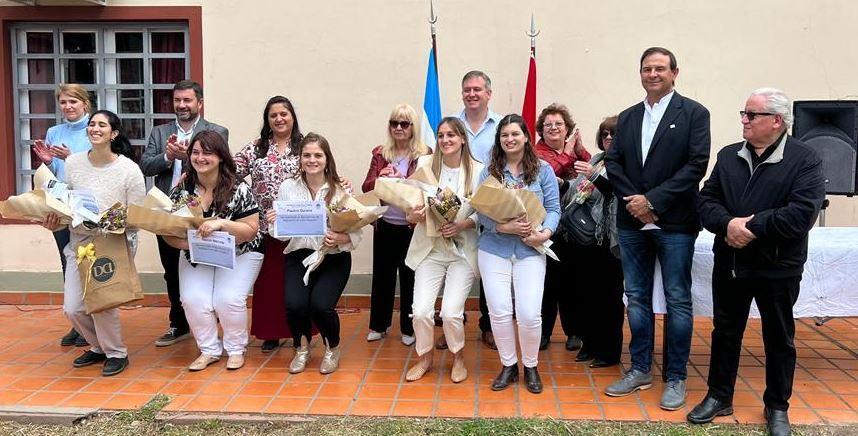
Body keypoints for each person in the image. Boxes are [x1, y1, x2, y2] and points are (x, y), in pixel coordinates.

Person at [688, 88, 824, 436]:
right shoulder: (729, 155)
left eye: (752, 115)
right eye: (744, 114)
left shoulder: (805, 159)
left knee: (779, 337)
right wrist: (727, 225)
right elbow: (706, 201)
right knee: (725, 331)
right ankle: (719, 396)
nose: (744, 120)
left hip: (778, 266)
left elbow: (801, 214)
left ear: (776, 121)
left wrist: (750, 227)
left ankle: (777, 406)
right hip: (731, 261)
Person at [604, 46, 711, 411]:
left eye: (660, 68)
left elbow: (696, 165)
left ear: (674, 73)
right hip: (632, 222)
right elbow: (614, 163)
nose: (652, 74)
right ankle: (639, 369)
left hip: (675, 222)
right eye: (647, 68)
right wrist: (636, 203)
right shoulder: (629, 116)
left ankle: (676, 376)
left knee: (677, 299)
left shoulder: (695, 113)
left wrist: (652, 202)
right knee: (636, 297)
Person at [40, 110, 145, 376]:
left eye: (102, 125)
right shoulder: (73, 163)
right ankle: (98, 346)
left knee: (103, 303)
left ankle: (116, 353)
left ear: (114, 133)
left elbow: (137, 215)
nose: (95, 128)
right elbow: (66, 202)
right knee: (73, 308)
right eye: (92, 124)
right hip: (79, 242)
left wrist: (109, 221)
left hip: (112, 243)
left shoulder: (129, 170)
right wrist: (54, 220)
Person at [162, 130, 263, 372]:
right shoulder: (182, 189)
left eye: (207, 153)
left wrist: (221, 224)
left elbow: (250, 230)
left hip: (241, 251)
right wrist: (190, 245)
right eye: (195, 152)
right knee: (192, 299)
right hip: (197, 253)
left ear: (220, 157)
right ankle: (209, 350)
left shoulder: (238, 188)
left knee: (227, 299)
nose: (201, 158)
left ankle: (236, 349)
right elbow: (167, 231)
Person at [139, 80, 229, 348]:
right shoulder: (160, 132)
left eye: (187, 100)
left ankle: (211, 321)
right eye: (177, 100)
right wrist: (167, 156)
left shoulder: (217, 131)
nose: (181, 105)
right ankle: (178, 324)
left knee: (207, 265)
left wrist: (187, 156)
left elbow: (220, 164)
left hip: (204, 211)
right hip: (168, 213)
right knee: (171, 270)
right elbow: (145, 166)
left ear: (199, 102)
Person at [477, 114, 560, 394]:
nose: (510, 139)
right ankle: (508, 365)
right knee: (500, 312)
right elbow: (480, 211)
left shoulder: (543, 170)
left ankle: (531, 366)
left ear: (526, 137)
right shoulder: (489, 172)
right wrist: (503, 227)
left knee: (529, 314)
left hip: (530, 249)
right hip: (494, 249)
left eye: (515, 134)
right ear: (499, 140)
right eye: (504, 135)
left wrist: (545, 233)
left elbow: (554, 209)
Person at [269, 133, 361, 374]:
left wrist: (340, 238)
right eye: (307, 155)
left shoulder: (340, 189)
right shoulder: (287, 187)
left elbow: (356, 232)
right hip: (298, 256)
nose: (312, 160)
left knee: (321, 306)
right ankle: (302, 348)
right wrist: (275, 222)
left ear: (327, 159)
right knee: (294, 304)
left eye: (318, 155)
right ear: (299, 159)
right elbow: (280, 235)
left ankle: (333, 348)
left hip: (333, 256)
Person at [403, 117, 484, 383]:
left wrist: (462, 224)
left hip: (462, 251)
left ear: (462, 139)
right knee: (421, 311)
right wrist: (413, 215)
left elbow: (484, 213)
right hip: (431, 249)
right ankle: (424, 357)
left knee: (450, 313)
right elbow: (409, 209)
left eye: (451, 135)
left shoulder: (479, 170)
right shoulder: (425, 165)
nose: (446, 140)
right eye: (441, 135)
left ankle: (458, 357)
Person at [234, 96, 303, 354]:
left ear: (292, 116)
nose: (279, 119)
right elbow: (230, 170)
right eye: (273, 115)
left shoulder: (304, 145)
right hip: (263, 226)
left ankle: (299, 332)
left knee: (296, 282)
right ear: (267, 120)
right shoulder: (257, 148)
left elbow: (322, 170)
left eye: (284, 114)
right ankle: (270, 333)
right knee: (268, 283)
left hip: (297, 227)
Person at [361, 104, 430, 346]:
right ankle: (379, 325)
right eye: (394, 123)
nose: (398, 128)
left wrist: (404, 181)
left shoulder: (425, 154)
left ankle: (409, 328)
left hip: (412, 227)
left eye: (404, 123)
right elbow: (367, 186)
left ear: (413, 127)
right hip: (385, 224)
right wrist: (381, 178)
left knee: (410, 277)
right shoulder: (381, 153)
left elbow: (428, 188)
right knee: (382, 277)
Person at [31, 83, 93, 348]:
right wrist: (47, 161)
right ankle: (77, 322)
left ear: (85, 104)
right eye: (63, 102)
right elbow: (54, 172)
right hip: (61, 204)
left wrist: (71, 157)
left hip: (87, 206)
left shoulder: (95, 128)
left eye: (73, 102)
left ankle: (90, 321)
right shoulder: (54, 132)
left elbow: (97, 167)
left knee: (87, 262)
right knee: (67, 261)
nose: (68, 106)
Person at [565, 116, 625, 368]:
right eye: (604, 134)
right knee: (586, 294)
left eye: (613, 133)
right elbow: (577, 188)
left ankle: (609, 351)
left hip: (610, 239)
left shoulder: (627, 162)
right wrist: (562, 184)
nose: (608, 138)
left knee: (609, 298)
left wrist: (595, 177)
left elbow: (618, 191)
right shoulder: (597, 160)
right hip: (585, 239)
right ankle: (589, 344)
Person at [533, 103, 591, 352]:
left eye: (559, 124)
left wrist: (580, 150)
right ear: (541, 130)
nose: (554, 128)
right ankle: (543, 333)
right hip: (548, 228)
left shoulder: (574, 151)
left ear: (567, 129)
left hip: (577, 228)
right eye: (548, 125)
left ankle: (574, 332)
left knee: (573, 282)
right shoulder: (536, 153)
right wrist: (567, 153)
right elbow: (544, 176)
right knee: (548, 283)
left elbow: (595, 171)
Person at [453, 70, 503, 350]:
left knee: (488, 266)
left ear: (488, 94)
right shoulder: (452, 123)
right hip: (457, 207)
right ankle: (454, 323)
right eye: (467, 90)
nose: (471, 94)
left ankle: (488, 326)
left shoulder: (500, 126)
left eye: (477, 89)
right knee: (454, 262)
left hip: (490, 205)